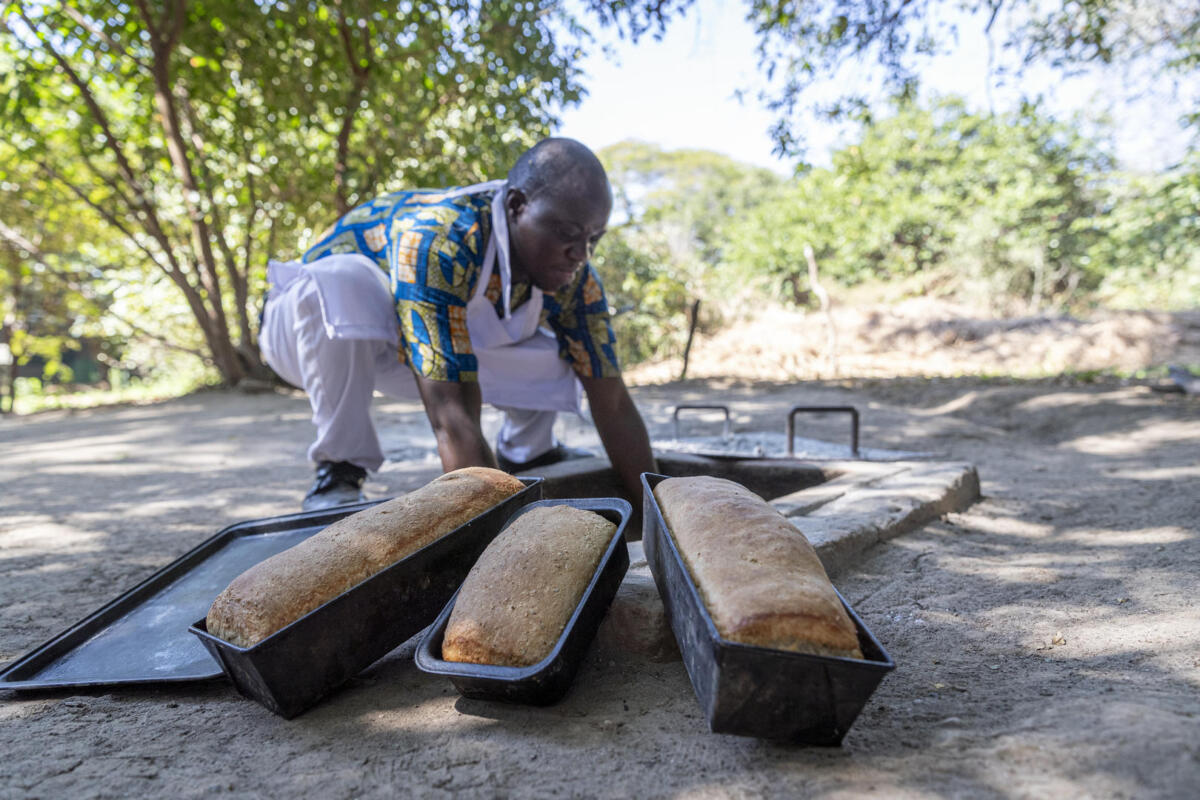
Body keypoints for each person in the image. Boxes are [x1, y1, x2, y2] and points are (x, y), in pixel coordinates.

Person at [259, 138, 657, 510]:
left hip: (405, 353)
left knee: (568, 351)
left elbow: (613, 400)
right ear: (517, 205)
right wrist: (505, 527)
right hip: (307, 335)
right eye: (568, 233)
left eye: (594, 238)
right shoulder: (440, 240)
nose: (581, 253)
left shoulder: (576, 277)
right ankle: (339, 468)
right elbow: (451, 412)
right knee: (344, 281)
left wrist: (658, 510)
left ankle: (529, 452)